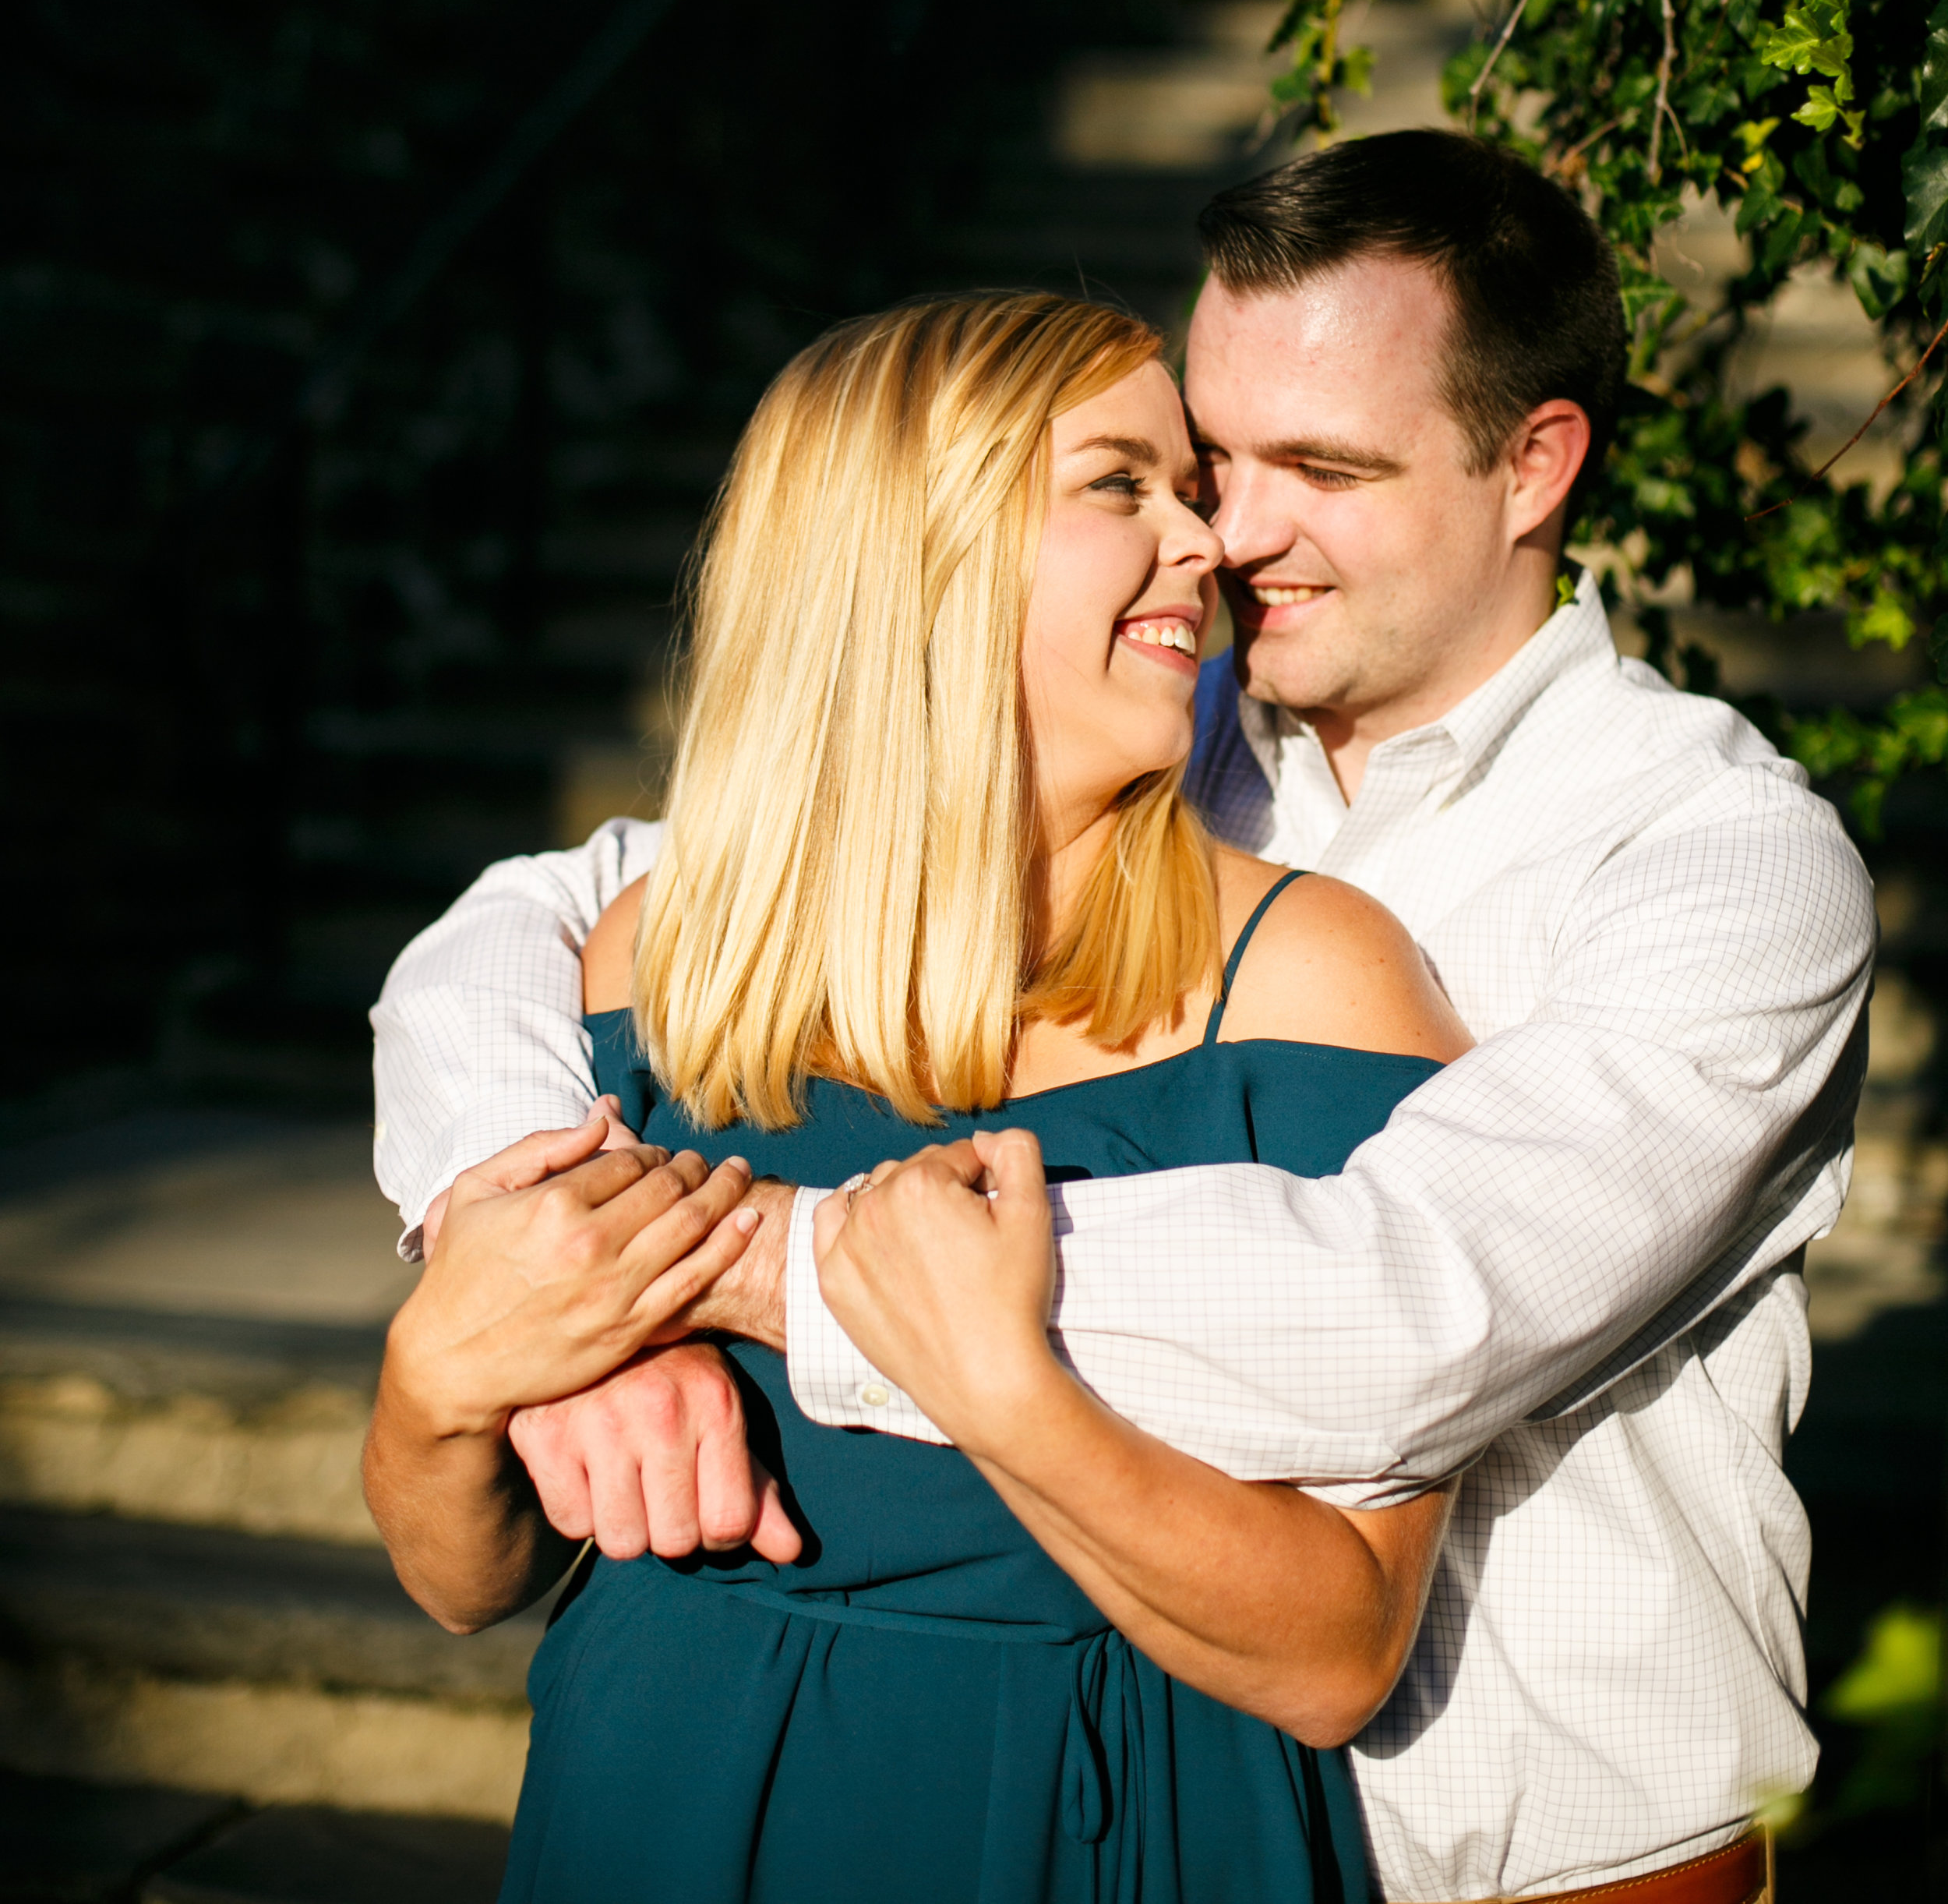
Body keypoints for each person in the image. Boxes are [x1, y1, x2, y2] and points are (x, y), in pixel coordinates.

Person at [374, 129, 1876, 1904]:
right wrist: (513, 1231)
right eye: (1199, 461)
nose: (1229, 536)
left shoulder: (1708, 855)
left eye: (1314, 467)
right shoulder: (1142, 736)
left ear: (1530, 463)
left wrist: (728, 1262)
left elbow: (1398, 1301)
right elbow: (536, 913)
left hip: (1510, 1853)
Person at [366, 290, 1469, 1904]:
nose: (1208, 543)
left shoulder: (1320, 981)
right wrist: (437, 1387)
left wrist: (1005, 1389)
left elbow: (1337, 1651)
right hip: (658, 1799)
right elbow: (464, 1581)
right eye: (1122, 485)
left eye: (1191, 487)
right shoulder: (658, 962)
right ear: (916, 553)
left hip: (1111, 1821)